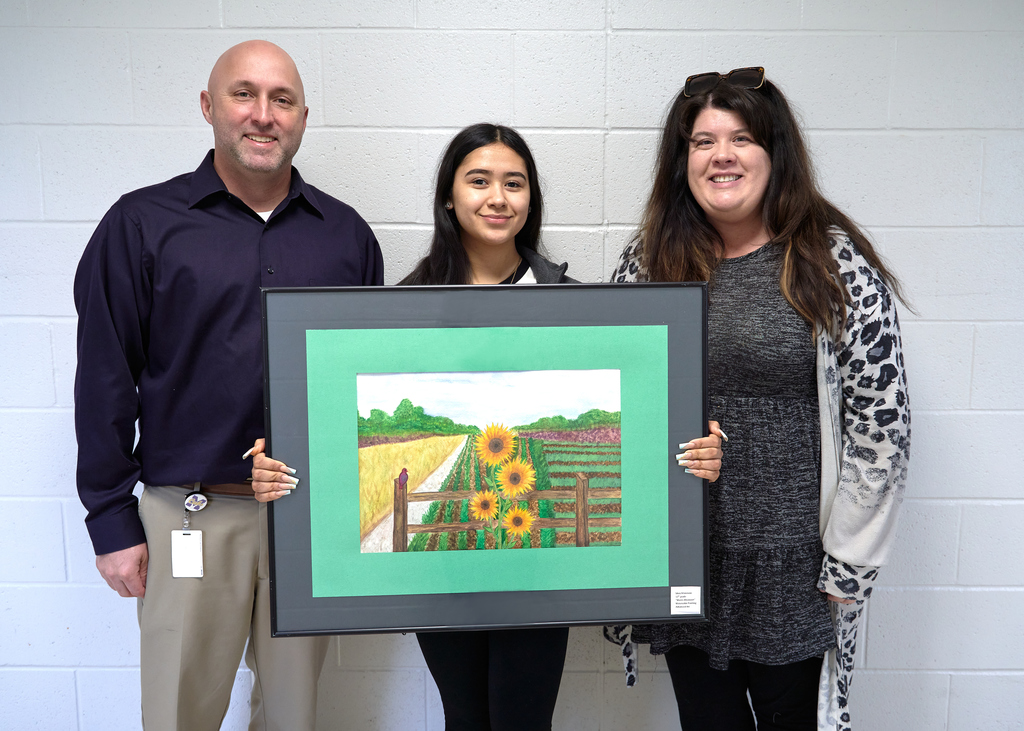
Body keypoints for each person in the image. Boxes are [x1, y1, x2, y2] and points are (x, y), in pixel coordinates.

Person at [250, 122, 721, 729]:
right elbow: (337, 438)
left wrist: (690, 453)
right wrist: (284, 471)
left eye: (514, 183)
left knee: (525, 720)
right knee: (465, 717)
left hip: (539, 571)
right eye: (479, 181)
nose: (498, 198)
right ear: (449, 196)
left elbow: (643, 427)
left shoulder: (579, 307)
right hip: (439, 570)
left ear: (531, 200)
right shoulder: (400, 310)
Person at [74, 40, 384, 730]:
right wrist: (109, 517)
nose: (263, 115)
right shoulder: (142, 225)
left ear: (304, 117)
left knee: (294, 717)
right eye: (244, 94)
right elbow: (103, 374)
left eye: (282, 99)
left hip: (307, 521)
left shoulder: (347, 236)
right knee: (180, 714)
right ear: (210, 107)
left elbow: (362, 390)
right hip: (188, 515)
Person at [608, 67, 910, 731]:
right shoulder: (649, 261)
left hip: (795, 568)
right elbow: (622, 409)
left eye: (742, 137)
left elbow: (880, 423)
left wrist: (848, 566)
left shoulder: (831, 263)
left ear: (775, 156)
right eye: (702, 140)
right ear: (680, 160)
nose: (722, 154)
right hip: (689, 559)